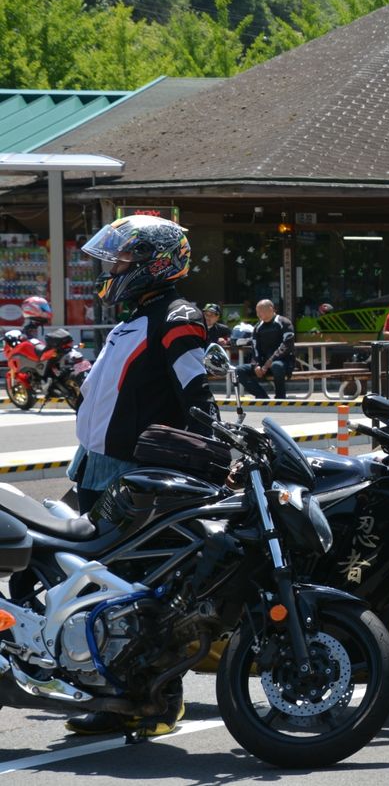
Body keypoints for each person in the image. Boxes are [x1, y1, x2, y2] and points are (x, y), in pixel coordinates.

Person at [65, 214, 213, 737]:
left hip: (137, 474)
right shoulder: (137, 316)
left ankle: (157, 701)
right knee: (102, 585)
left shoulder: (177, 317)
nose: (114, 267)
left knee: (140, 588)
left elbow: (196, 395)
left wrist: (212, 450)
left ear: (157, 263)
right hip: (97, 466)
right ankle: (114, 695)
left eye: (124, 257)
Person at [236, 299, 295, 399]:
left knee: (276, 366)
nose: (258, 314)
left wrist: (270, 361)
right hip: (264, 365)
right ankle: (262, 396)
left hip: (283, 363)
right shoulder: (258, 327)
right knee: (239, 370)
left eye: (260, 311)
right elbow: (255, 348)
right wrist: (256, 365)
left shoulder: (284, 322)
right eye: (257, 311)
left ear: (271, 309)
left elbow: (286, 345)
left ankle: (280, 397)